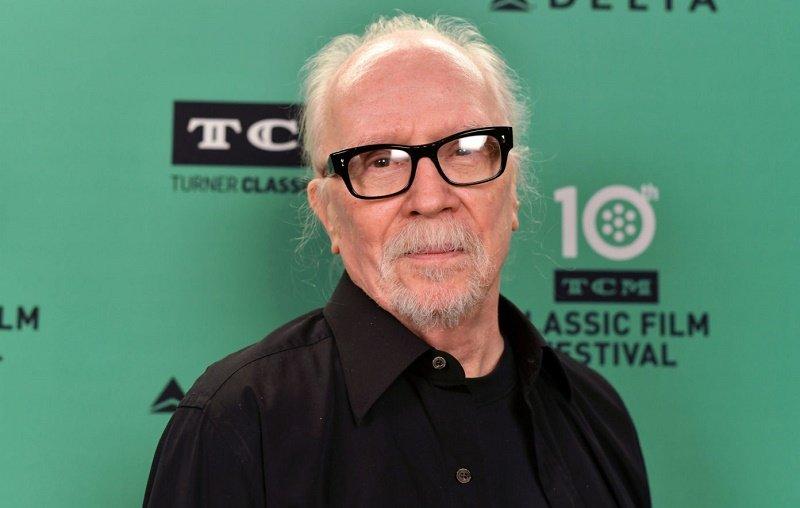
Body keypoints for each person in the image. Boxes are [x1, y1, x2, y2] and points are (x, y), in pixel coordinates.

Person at [144, 14, 650, 507]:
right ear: (328, 213)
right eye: (381, 161)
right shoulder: (237, 424)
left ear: (511, 188)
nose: (430, 198)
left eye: (465, 149)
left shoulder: (594, 412)